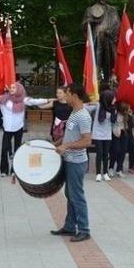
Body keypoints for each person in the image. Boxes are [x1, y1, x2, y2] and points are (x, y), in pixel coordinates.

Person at [50, 83, 93, 242]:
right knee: (70, 194)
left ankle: (84, 229)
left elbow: (87, 141)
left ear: (74, 96)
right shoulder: (74, 112)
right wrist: (58, 143)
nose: (64, 97)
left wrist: (66, 146)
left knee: (76, 195)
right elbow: (70, 134)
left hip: (77, 161)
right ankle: (69, 226)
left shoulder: (83, 115)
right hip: (69, 159)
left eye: (66, 94)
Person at [0, 82, 48, 177]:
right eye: (11, 87)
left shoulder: (23, 100)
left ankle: (14, 170)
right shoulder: (4, 99)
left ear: (19, 89)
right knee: (4, 149)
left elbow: (35, 101)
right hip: (7, 129)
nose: (11, 89)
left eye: (14, 87)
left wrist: (48, 100)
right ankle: (4, 170)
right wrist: (0, 93)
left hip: (19, 128)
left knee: (17, 150)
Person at [87, 89, 115, 182]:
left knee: (106, 154)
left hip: (107, 134)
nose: (114, 99)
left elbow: (114, 121)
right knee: (99, 153)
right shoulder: (98, 105)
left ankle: (105, 173)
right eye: (112, 97)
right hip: (97, 134)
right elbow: (85, 108)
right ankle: (98, 173)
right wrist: (88, 103)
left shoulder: (112, 108)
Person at [110, 101, 133, 177]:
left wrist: (130, 115)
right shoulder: (115, 113)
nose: (126, 111)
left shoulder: (128, 114)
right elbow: (112, 120)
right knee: (116, 150)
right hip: (116, 132)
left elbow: (131, 124)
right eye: (125, 110)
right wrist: (114, 112)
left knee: (123, 150)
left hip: (124, 132)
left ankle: (119, 169)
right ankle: (111, 167)